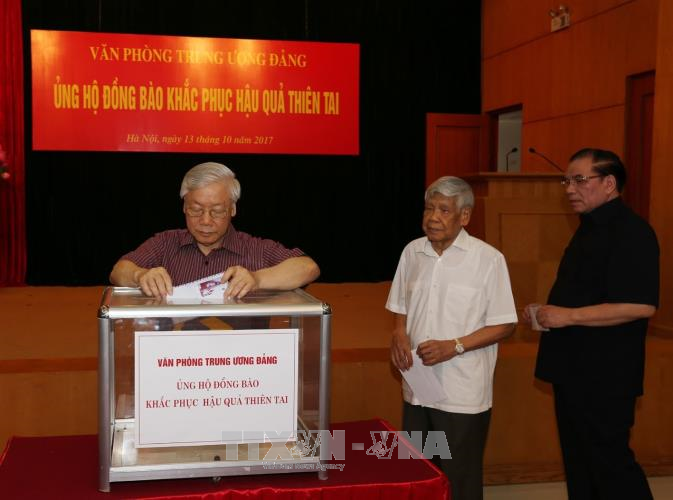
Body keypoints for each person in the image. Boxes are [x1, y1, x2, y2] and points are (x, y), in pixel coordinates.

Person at [525, 148, 659, 500]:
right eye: (566, 180)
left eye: (579, 180)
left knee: (611, 467)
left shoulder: (633, 232)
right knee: (579, 466)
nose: (569, 188)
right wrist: (545, 312)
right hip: (573, 369)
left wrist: (567, 316)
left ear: (610, 183)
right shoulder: (587, 229)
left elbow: (641, 304)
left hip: (606, 376)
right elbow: (584, 293)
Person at [387, 176, 517, 500]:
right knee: (419, 470)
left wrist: (454, 346)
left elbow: (505, 324)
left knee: (459, 475)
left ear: (465, 216)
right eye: (429, 208)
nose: (433, 217)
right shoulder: (412, 252)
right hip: (418, 387)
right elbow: (400, 306)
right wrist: (399, 334)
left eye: (444, 210)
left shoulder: (488, 260)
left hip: (461, 392)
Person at [110, 162, 319, 298]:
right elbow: (119, 271)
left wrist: (257, 279)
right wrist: (140, 275)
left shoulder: (255, 249)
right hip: (175, 357)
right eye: (196, 210)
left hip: (242, 358)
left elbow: (308, 267)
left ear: (233, 209)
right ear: (184, 206)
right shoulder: (165, 243)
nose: (206, 221)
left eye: (217, 211)